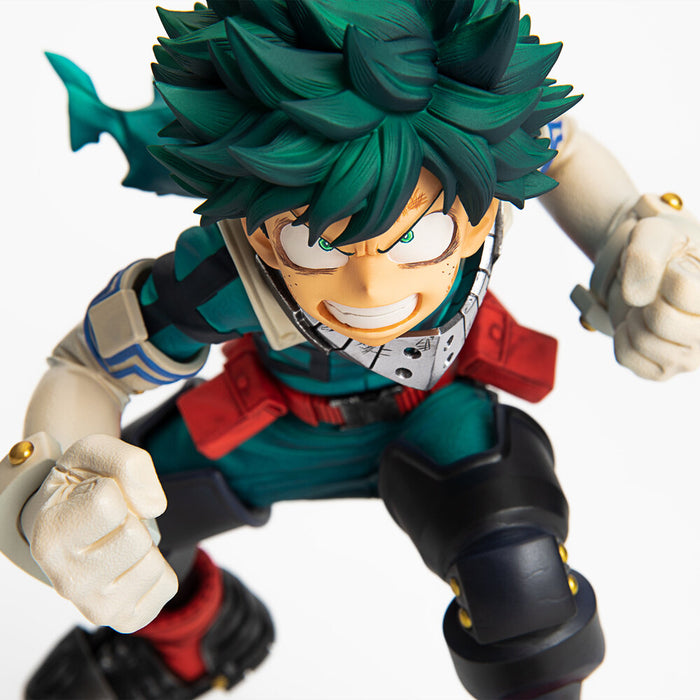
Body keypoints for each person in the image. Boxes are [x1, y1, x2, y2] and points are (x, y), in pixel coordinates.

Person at [1, 1, 699, 698]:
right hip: (269, 428)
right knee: (124, 540)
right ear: (259, 231)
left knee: (523, 588)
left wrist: (643, 249)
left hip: (436, 418)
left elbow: (564, 147)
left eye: (416, 237)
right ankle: (192, 637)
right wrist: (57, 491)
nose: (371, 287)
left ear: (478, 212)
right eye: (317, 244)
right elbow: (86, 369)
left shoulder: (481, 165)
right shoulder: (223, 277)